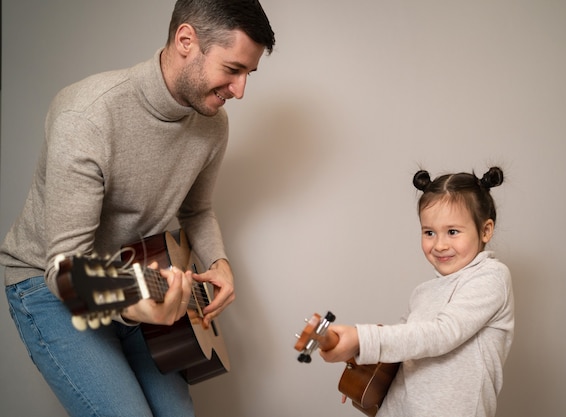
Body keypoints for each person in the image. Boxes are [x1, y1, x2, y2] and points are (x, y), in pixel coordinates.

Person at [0, 1, 275, 416]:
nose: (240, 91)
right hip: (49, 282)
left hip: (138, 274)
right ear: (186, 41)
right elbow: (66, 269)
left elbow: (197, 210)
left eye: (248, 75)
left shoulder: (213, 124)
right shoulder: (87, 115)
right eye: (232, 69)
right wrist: (135, 300)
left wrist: (218, 261)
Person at [320, 167, 514, 417]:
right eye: (429, 232)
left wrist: (362, 338)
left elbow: (442, 334)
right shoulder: (424, 292)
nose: (440, 244)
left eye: (452, 232)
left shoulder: (491, 276)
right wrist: (364, 365)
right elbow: (404, 343)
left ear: (485, 230)